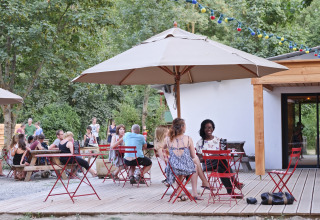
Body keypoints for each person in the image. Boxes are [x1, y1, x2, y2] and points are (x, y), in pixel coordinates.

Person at [195, 119, 244, 198]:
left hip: (220, 163)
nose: (209, 129)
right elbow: (201, 159)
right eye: (206, 128)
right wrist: (213, 156)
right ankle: (235, 182)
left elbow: (224, 153)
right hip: (208, 164)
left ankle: (231, 192)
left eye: (210, 127)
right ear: (203, 129)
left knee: (221, 168)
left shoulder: (218, 140)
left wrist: (224, 153)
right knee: (221, 159)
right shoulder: (200, 142)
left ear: (213, 128)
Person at [164, 118, 202, 201]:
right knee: (195, 166)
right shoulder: (188, 138)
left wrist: (167, 156)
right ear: (182, 127)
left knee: (179, 168)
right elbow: (193, 155)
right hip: (185, 168)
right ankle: (194, 193)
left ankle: (179, 193)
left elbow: (162, 149)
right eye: (185, 125)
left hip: (173, 168)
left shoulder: (167, 139)